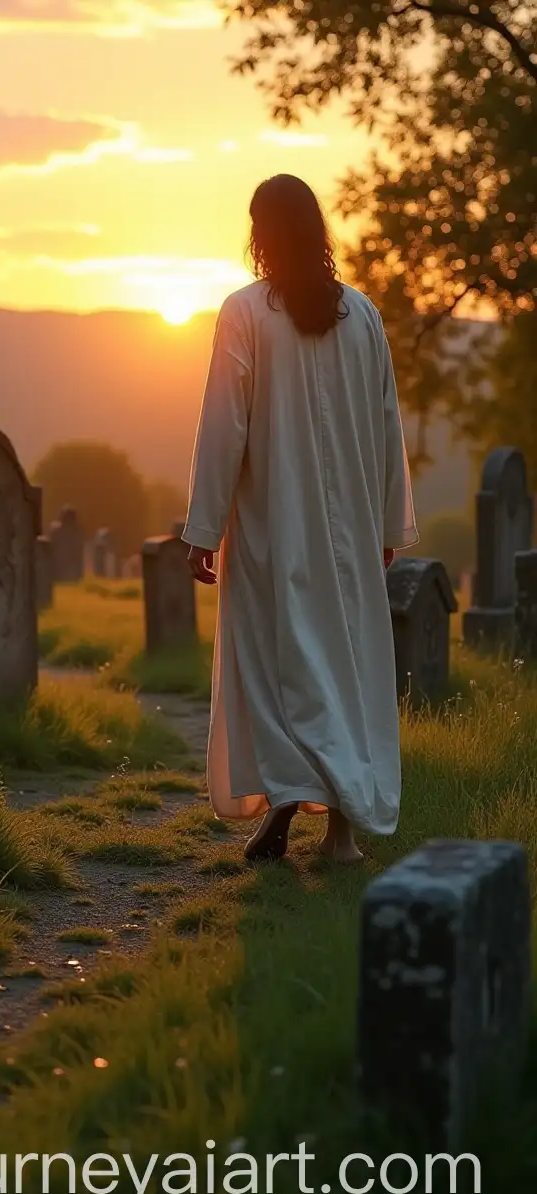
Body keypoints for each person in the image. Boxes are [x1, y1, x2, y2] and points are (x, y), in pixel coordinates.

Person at [182, 174, 418, 865]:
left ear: (260, 234)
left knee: (273, 667)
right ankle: (338, 831)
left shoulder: (245, 312)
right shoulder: (363, 315)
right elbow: (387, 425)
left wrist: (202, 529)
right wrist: (386, 526)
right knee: (345, 670)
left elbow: (223, 427)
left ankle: (287, 802)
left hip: (272, 531)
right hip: (348, 537)